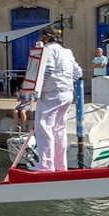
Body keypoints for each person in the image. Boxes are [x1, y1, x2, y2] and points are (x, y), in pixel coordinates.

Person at [33, 30, 81, 171]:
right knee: (59, 129)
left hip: (51, 94)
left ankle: (46, 165)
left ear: (46, 38)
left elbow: (48, 70)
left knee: (44, 127)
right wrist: (65, 83)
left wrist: (37, 89)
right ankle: (60, 165)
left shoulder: (47, 50)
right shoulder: (67, 52)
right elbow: (78, 72)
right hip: (67, 93)